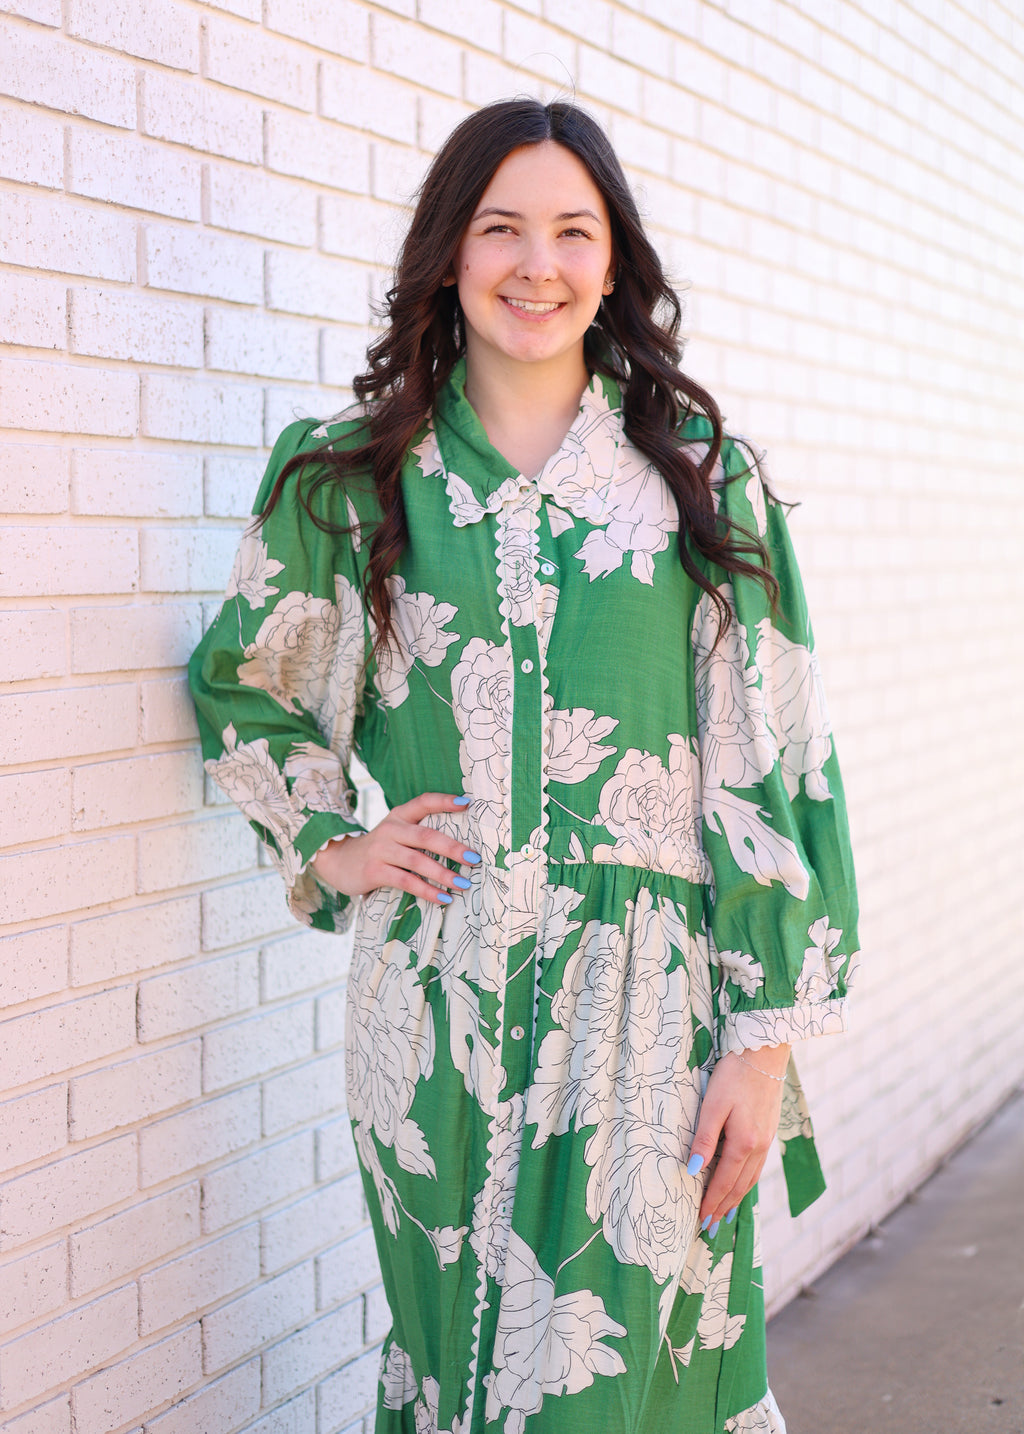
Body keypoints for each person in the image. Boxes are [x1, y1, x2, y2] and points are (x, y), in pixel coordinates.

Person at [189, 98, 858, 1434]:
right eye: (500, 228)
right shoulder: (348, 480)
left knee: (620, 1385)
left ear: (615, 263)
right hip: (434, 1010)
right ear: (449, 253)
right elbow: (243, 686)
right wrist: (334, 843)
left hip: (650, 1025)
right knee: (461, 1371)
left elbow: (778, 767)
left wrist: (763, 1041)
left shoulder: (705, 488)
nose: (535, 266)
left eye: (572, 230)